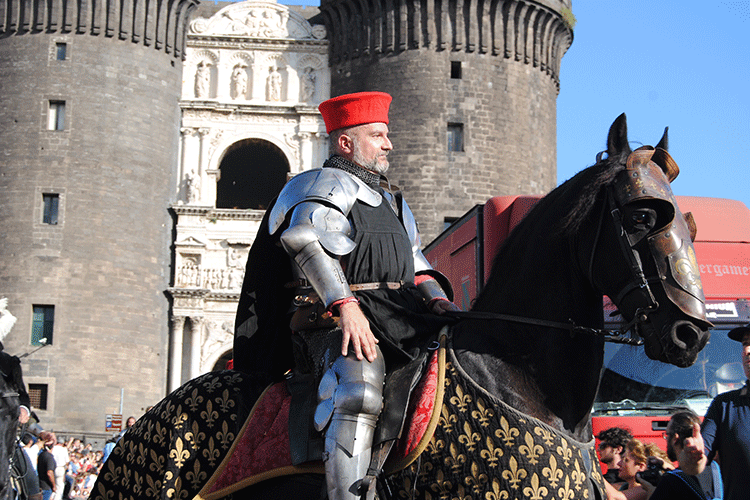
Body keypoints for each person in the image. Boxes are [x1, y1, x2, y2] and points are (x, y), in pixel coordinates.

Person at [234, 91, 458, 500]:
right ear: (345, 143)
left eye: (386, 135)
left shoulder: (392, 200)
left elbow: (416, 260)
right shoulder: (323, 183)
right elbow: (304, 239)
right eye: (377, 135)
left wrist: (439, 302)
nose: (388, 143)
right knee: (360, 387)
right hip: (332, 326)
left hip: (399, 320)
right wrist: (346, 306)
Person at [701, 323, 750, 500]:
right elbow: (701, 455)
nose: (748, 350)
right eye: (745, 344)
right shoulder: (723, 405)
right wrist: (689, 454)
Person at [645, 410, 708, 500]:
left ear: (675, 438)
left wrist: (650, 490)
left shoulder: (670, 481)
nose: (666, 439)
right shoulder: (715, 470)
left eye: (667, 435)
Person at [37, 432, 57, 500]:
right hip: (46, 487)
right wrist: (54, 485)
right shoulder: (49, 457)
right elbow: (49, 472)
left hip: (40, 485)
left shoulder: (41, 454)